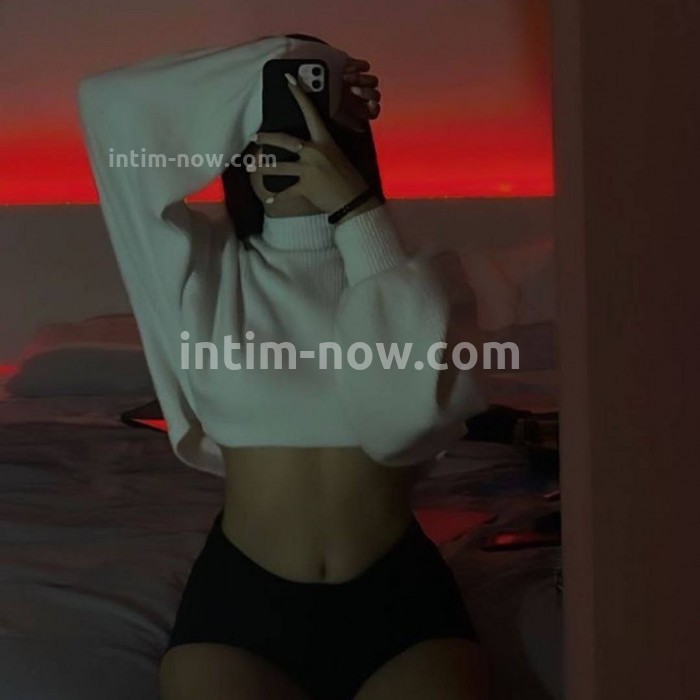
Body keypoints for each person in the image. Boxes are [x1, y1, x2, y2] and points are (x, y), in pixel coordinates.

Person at [78, 32, 490, 700]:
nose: (284, 145)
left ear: (347, 146)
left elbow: (401, 420)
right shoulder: (203, 274)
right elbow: (107, 103)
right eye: (266, 129)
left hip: (399, 600)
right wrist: (281, 67)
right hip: (243, 603)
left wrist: (356, 212)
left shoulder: (416, 276)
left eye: (305, 127)